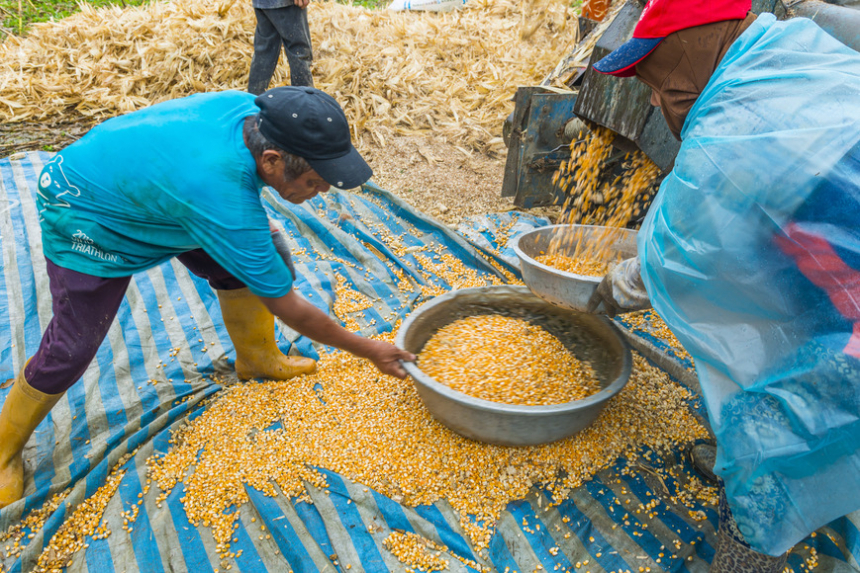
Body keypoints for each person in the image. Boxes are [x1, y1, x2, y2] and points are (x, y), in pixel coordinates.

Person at [0, 86, 416, 510]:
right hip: (83, 205)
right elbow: (286, 304)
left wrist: (255, 244)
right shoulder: (219, 193)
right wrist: (370, 349)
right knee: (72, 346)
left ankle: (256, 358)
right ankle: (3, 454)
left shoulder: (257, 115)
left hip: (159, 187)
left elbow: (230, 213)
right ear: (271, 161)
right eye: (315, 182)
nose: (322, 192)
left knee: (251, 257)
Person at [585, 0, 860, 570]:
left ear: (700, 40)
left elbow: (677, 255)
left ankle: (749, 549)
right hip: (836, 265)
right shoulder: (790, 52)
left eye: (660, 77)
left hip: (850, 316)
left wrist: (609, 292)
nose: (656, 97)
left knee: (768, 428)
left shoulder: (734, 131)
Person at [248, 0, 314, 94]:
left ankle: (253, 102)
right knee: (299, 52)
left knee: (264, 53)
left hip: (262, 3)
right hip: (284, 3)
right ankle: (304, 104)